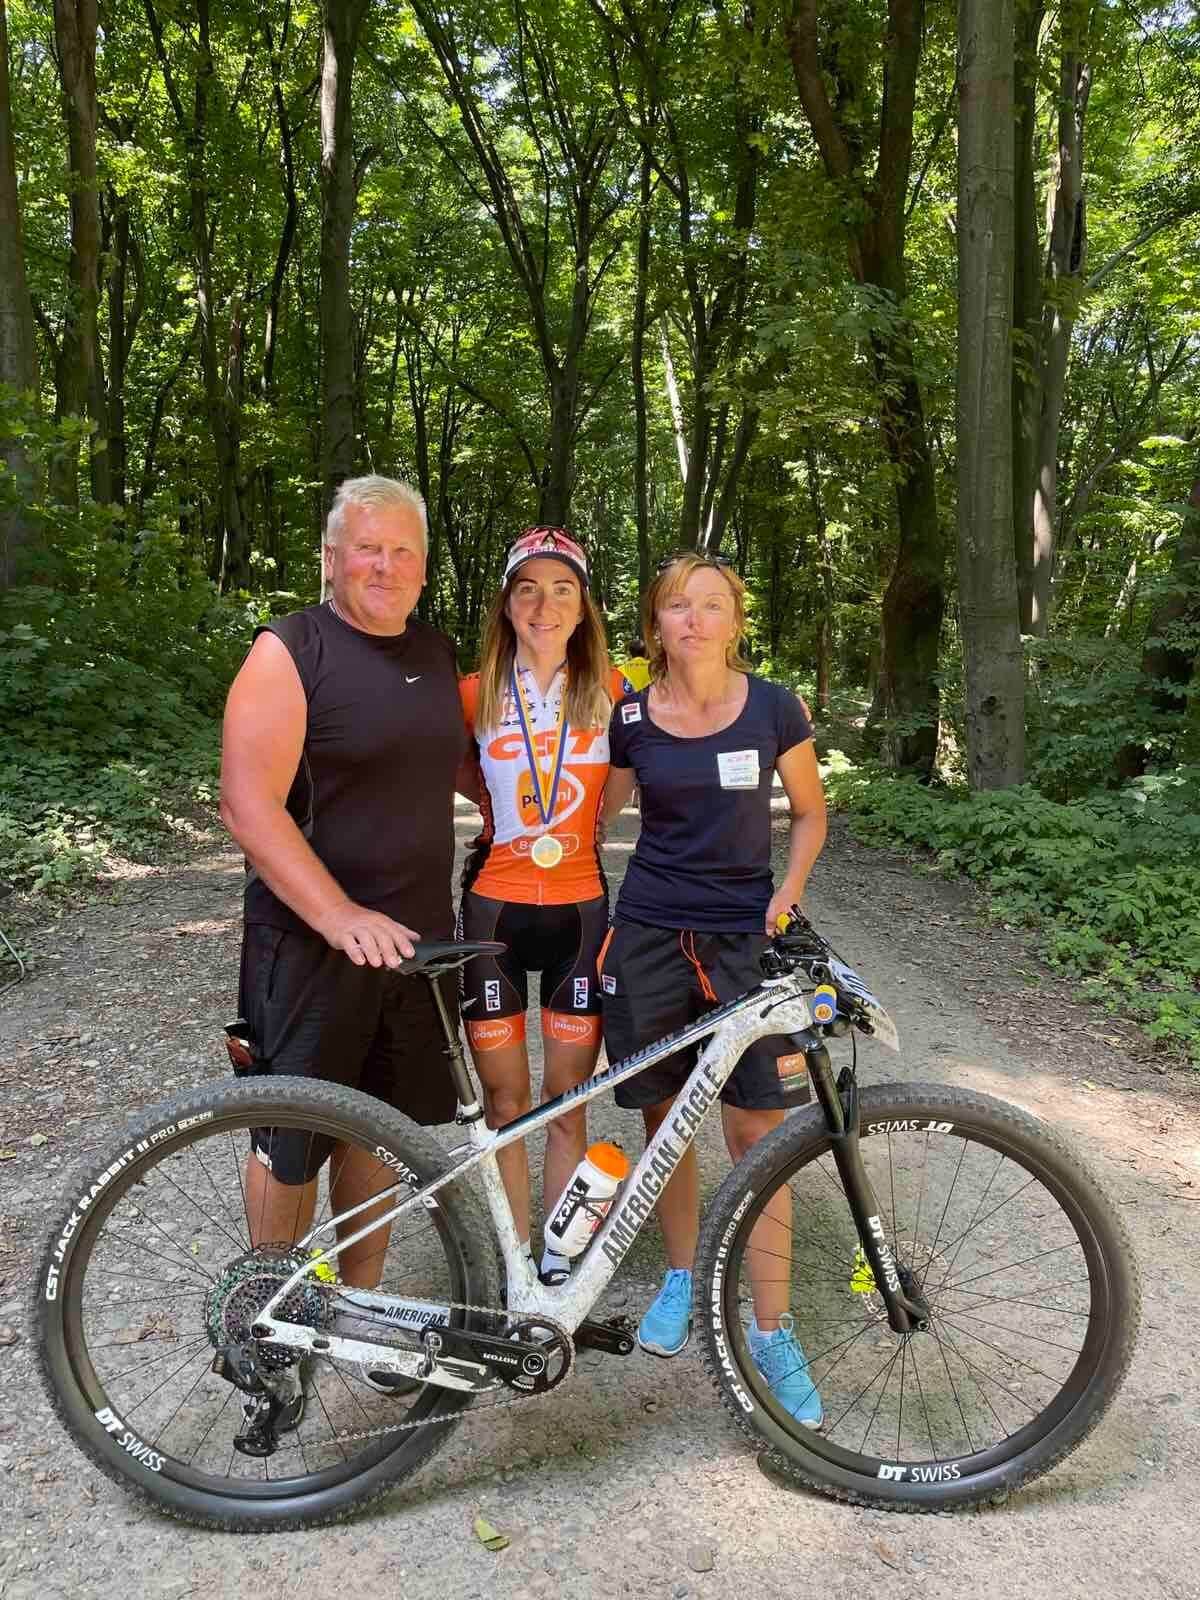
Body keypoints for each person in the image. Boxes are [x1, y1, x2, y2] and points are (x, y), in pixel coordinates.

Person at [219, 475, 468, 1321]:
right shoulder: (290, 650)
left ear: (424, 568)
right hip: (309, 944)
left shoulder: (436, 654)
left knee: (381, 1132)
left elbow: (458, 769)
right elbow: (246, 804)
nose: (384, 565)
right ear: (331, 558)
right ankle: (268, 1315)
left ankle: (357, 1310)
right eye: (367, 548)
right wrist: (337, 915)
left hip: (416, 942)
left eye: (402, 551)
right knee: (291, 1139)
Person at [599, 552, 827, 1424]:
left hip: (744, 940)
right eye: (676, 606)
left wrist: (787, 892)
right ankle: (683, 1277)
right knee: (667, 1123)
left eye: (711, 604)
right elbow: (597, 817)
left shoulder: (774, 707)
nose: (693, 619)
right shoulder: (631, 716)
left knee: (757, 1129)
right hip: (650, 935)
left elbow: (810, 811)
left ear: (735, 619)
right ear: (655, 625)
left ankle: (772, 1329)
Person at [458, 527, 628, 1286]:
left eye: (563, 589)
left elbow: (622, 787)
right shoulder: (472, 693)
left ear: (584, 607)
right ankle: (512, 1256)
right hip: (493, 913)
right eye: (527, 589)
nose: (544, 604)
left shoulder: (614, 689)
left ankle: (557, 1265)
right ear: (507, 604)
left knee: (567, 1102)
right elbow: (454, 771)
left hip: (579, 913)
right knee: (504, 1101)